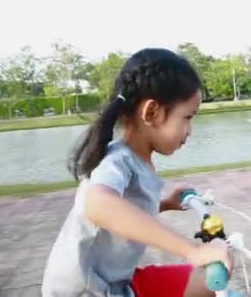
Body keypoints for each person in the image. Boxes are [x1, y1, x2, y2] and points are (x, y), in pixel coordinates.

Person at [42, 48, 233, 297]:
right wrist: (192, 251)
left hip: (119, 280)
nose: (190, 130)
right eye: (187, 117)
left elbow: (127, 208)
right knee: (205, 269)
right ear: (151, 113)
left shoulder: (137, 159)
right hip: (90, 291)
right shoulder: (117, 161)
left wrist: (164, 204)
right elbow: (100, 206)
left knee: (210, 279)